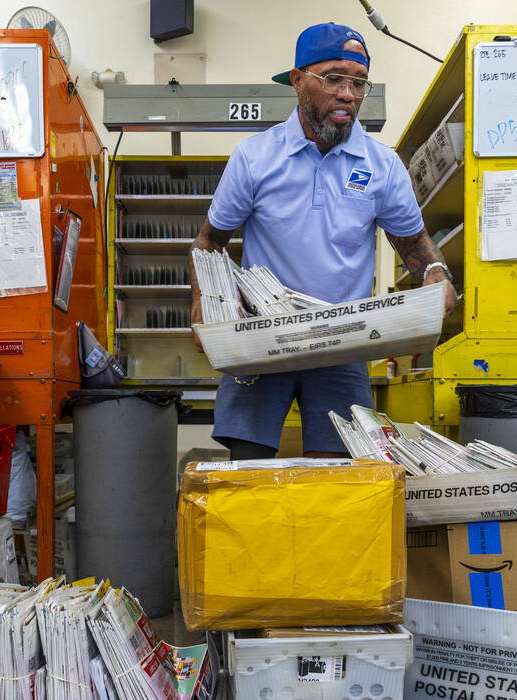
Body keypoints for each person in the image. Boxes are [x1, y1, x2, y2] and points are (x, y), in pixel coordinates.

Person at [189, 21, 456, 461]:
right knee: (247, 469)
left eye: (358, 83)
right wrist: (205, 299)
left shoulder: (382, 165)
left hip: (344, 343)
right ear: (298, 81)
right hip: (261, 340)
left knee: (339, 476)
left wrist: (435, 273)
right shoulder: (255, 159)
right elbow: (210, 241)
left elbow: (413, 244)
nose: (347, 94)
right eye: (333, 78)